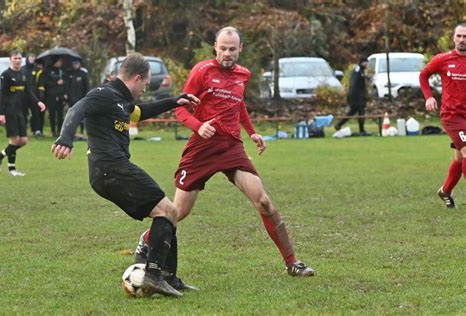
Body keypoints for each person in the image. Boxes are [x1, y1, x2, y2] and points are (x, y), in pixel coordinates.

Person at [162, 26, 313, 277]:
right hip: (202, 148)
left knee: (263, 201)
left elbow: (238, 104)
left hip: (231, 147)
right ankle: (147, 242)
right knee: (178, 212)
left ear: (240, 49)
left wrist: (252, 131)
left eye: (232, 49)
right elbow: (180, 110)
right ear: (215, 47)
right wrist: (199, 127)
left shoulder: (243, 74)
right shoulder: (202, 71)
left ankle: (292, 262)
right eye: (223, 48)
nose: (227, 54)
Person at [51, 53, 200, 297]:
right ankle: (154, 275)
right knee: (168, 211)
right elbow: (77, 108)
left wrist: (175, 101)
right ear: (138, 78)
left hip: (112, 170)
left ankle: (168, 278)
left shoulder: (121, 101)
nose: (144, 89)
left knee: (169, 213)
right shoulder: (104, 94)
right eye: (145, 84)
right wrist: (65, 138)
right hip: (110, 169)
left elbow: (140, 112)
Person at [420, 23, 466, 209]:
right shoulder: (443, 59)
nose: (463, 40)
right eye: (459, 36)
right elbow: (424, 75)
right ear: (453, 38)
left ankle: (445, 191)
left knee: (460, 158)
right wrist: (429, 97)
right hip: (452, 116)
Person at [0, 50, 46, 176]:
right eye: (15, 58)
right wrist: (1, 113)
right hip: (9, 111)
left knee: (24, 141)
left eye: (19, 58)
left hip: (20, 110)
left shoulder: (22, 74)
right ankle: (12, 169)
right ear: (10, 59)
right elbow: (3, 95)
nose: (18, 60)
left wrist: (38, 102)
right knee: (14, 141)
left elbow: (28, 91)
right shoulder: (5, 75)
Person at [334, 55, 369, 135]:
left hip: (357, 94)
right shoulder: (358, 70)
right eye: (366, 62)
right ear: (362, 62)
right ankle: (361, 130)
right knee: (361, 111)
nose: (367, 64)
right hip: (356, 95)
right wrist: (361, 94)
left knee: (352, 112)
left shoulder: (361, 70)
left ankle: (338, 125)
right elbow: (355, 83)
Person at [43, 57, 67, 137]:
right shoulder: (48, 71)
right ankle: (53, 130)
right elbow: (46, 83)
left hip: (60, 96)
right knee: (52, 114)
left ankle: (60, 130)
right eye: (58, 62)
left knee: (60, 114)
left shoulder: (63, 71)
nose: (60, 63)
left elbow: (67, 82)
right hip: (51, 96)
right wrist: (56, 82)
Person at [66, 59, 90, 136]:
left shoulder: (83, 73)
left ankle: (82, 131)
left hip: (81, 98)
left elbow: (87, 86)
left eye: (76, 64)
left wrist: (86, 97)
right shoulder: (70, 73)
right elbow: (67, 86)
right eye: (74, 64)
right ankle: (73, 131)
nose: (75, 65)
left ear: (79, 64)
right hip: (71, 98)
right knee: (72, 116)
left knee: (82, 115)